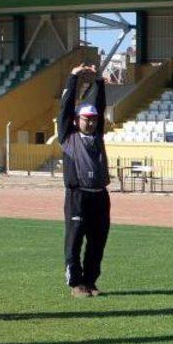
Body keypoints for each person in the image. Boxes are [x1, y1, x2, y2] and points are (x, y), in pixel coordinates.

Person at [58, 63, 110, 298]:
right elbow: (65, 108)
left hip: (100, 195)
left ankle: (90, 281)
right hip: (77, 195)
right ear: (77, 120)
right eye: (85, 119)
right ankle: (76, 283)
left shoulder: (97, 136)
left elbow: (100, 104)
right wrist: (73, 77)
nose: (90, 122)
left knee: (97, 241)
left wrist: (98, 80)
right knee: (75, 240)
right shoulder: (68, 137)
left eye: (93, 119)